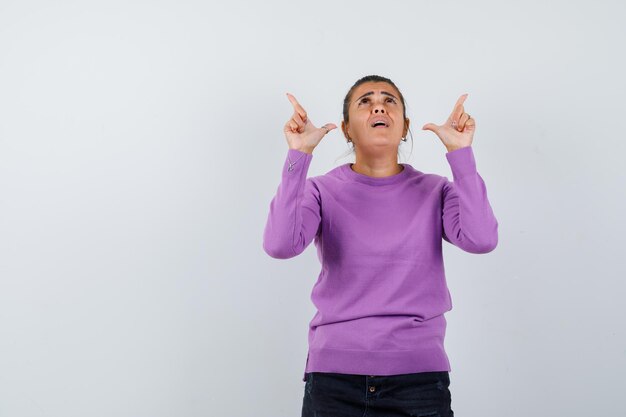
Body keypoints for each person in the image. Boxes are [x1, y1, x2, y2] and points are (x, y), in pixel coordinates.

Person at [262, 74, 498, 417]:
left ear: (404, 126)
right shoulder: (320, 191)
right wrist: (298, 156)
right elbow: (280, 245)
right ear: (346, 128)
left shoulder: (436, 190)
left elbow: (482, 239)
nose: (378, 106)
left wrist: (460, 154)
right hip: (334, 379)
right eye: (365, 101)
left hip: (418, 380)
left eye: (389, 101)